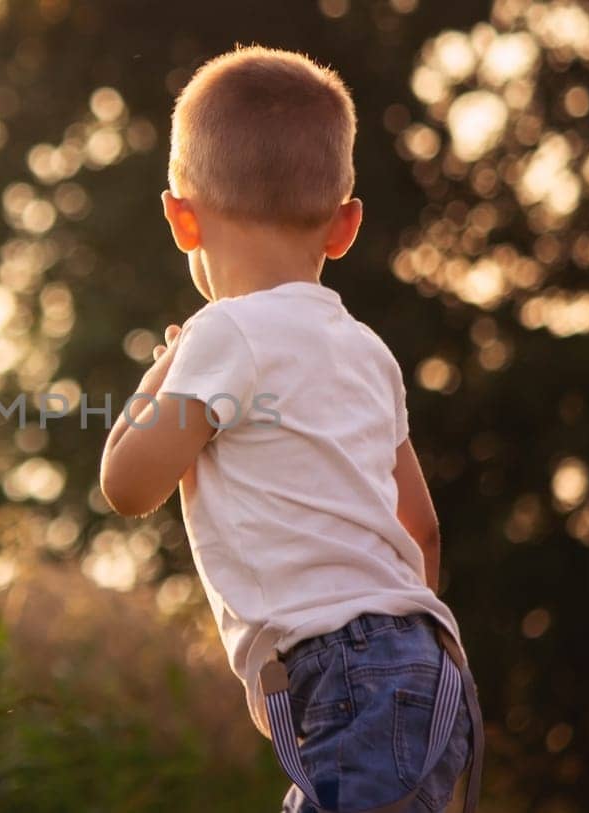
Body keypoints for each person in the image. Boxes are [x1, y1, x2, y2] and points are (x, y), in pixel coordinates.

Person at [98, 46, 483, 812]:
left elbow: (126, 483)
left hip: (347, 675)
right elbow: (424, 529)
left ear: (181, 217)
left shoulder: (222, 335)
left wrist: (164, 366)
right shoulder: (367, 350)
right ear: (344, 226)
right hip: (433, 671)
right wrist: (397, 652)